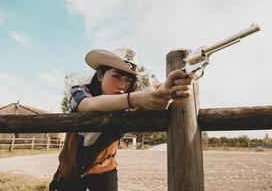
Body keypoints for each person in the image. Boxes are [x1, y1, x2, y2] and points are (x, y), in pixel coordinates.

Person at [50, 48, 197, 191]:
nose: (122, 85)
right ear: (100, 75)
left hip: (105, 168)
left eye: (128, 80)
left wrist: (166, 91)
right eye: (117, 76)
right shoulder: (80, 91)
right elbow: (88, 105)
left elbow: (149, 101)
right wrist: (135, 99)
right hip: (69, 168)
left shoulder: (130, 104)